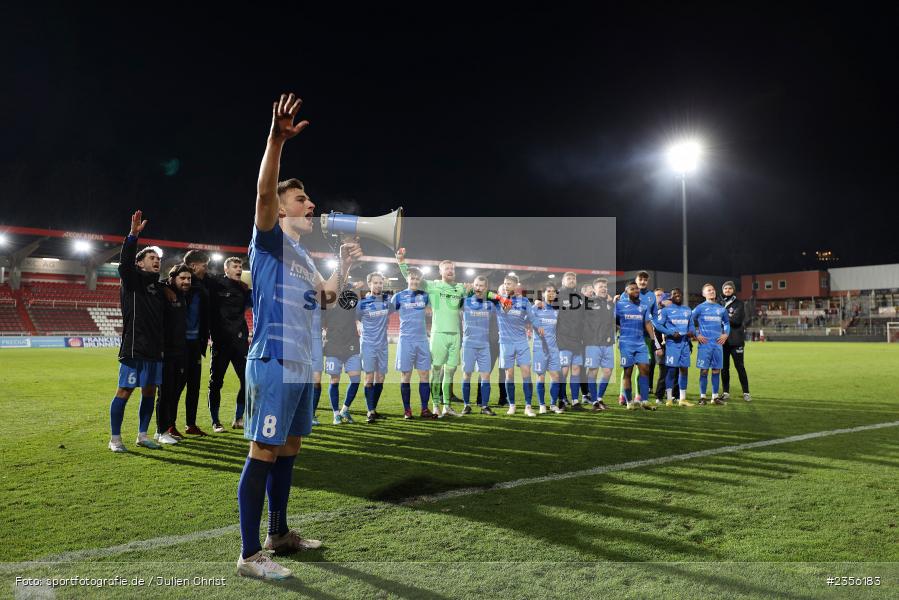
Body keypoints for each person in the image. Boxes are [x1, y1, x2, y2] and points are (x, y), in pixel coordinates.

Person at [235, 92, 362, 580]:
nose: (311, 205)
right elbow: (265, 192)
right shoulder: (268, 239)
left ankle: (280, 534)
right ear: (283, 209)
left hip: (305, 362)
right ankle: (249, 557)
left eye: (308, 199)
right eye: (302, 200)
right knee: (263, 451)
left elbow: (329, 298)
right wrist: (276, 138)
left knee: (288, 449)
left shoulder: (306, 257)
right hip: (275, 359)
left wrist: (345, 267)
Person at [108, 210, 165, 452]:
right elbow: (125, 263)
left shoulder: (158, 287)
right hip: (134, 348)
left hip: (154, 349)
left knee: (150, 391)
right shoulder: (132, 280)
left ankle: (142, 435)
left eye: (158, 258)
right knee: (125, 390)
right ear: (140, 262)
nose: (156, 260)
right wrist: (132, 236)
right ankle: (115, 439)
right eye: (151, 257)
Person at [206, 257, 252, 432]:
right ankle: (215, 421)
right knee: (216, 382)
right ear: (226, 269)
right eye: (235, 266)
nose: (239, 269)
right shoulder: (216, 284)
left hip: (240, 342)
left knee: (247, 380)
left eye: (240, 266)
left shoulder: (244, 289)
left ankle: (239, 418)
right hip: (221, 342)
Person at [155, 263, 193, 445]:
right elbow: (153, 283)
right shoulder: (164, 292)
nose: (186, 281)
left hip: (180, 350)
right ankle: (160, 431)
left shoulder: (182, 295)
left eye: (188, 278)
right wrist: (163, 286)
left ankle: (168, 427)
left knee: (175, 391)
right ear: (172, 278)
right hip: (165, 351)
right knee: (165, 392)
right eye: (182, 278)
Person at [390, 267, 432, 419]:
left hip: (422, 339)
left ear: (419, 280)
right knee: (406, 375)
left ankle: (425, 409)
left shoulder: (425, 296)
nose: (414, 281)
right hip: (406, 340)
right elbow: (386, 313)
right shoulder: (398, 297)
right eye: (412, 278)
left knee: (425, 374)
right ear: (407, 279)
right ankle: (407, 410)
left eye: (417, 279)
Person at [323, 282, 363, 424]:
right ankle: (335, 414)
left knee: (356, 379)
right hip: (333, 346)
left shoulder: (351, 302)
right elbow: (322, 321)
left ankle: (345, 409)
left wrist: (355, 288)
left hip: (351, 345)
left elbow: (357, 306)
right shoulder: (327, 304)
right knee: (334, 380)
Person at [496, 274, 536, 416]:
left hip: (521, 342)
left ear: (516, 285)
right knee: (509, 374)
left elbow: (531, 318)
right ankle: (512, 405)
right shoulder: (498, 301)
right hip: (506, 343)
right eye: (505, 284)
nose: (506, 286)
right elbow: (488, 296)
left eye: (509, 284)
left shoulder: (524, 301)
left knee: (526, 372)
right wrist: (502, 297)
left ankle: (528, 406)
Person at [616, 282, 659, 411]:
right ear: (626, 291)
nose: (636, 290)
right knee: (627, 372)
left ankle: (644, 401)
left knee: (645, 369)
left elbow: (647, 323)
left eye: (637, 289)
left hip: (640, 343)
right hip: (626, 344)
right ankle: (629, 401)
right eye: (632, 289)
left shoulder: (643, 306)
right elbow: (613, 322)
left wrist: (654, 341)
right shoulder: (619, 305)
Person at [182, 250, 211, 436]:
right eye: (204, 265)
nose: (206, 268)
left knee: (194, 387)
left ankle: (190, 424)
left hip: (195, 344)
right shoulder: (179, 283)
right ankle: (167, 427)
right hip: (178, 345)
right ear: (194, 265)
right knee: (174, 388)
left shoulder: (203, 285)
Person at [358, 272, 391, 423]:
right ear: (369, 284)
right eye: (375, 283)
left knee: (381, 378)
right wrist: (358, 326)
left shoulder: (387, 301)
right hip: (368, 345)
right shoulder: (362, 303)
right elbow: (355, 319)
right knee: (369, 378)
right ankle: (370, 411)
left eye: (380, 283)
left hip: (383, 345)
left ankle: (373, 408)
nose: (378, 285)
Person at [653, 288, 695, 407]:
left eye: (679, 293)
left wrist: (692, 332)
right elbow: (657, 325)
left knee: (684, 370)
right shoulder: (666, 311)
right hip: (672, 344)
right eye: (674, 294)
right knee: (671, 371)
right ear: (671, 297)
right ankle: (669, 399)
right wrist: (670, 332)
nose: (677, 295)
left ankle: (682, 399)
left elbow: (691, 324)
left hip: (685, 343)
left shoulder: (687, 310)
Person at [462, 276, 497, 415]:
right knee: (466, 375)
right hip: (469, 344)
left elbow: (507, 308)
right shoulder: (464, 302)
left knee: (486, 376)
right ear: (473, 286)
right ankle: (466, 405)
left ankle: (484, 406)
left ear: (486, 288)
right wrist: (465, 291)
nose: (479, 288)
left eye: (482, 286)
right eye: (476, 285)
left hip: (484, 345)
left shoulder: (491, 305)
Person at [692, 283, 730, 406]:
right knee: (704, 371)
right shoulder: (699, 308)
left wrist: (725, 334)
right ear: (703, 294)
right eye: (708, 290)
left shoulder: (721, 309)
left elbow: (727, 323)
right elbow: (690, 321)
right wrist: (696, 334)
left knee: (716, 371)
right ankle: (702, 397)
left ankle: (715, 397)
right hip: (705, 344)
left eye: (713, 290)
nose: (712, 291)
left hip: (718, 344)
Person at [530, 282, 565, 414]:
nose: (551, 293)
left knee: (555, 376)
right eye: (548, 291)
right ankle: (542, 405)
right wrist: (534, 305)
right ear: (543, 293)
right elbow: (527, 319)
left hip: (553, 348)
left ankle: (553, 404)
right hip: (540, 348)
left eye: (553, 291)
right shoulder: (536, 308)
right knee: (541, 376)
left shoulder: (556, 310)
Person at [583, 277, 615, 411]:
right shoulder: (588, 302)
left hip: (607, 343)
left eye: (605, 286)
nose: (604, 288)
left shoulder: (609, 304)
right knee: (593, 372)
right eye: (600, 286)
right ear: (594, 289)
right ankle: (594, 401)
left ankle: (599, 398)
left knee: (608, 371)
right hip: (593, 343)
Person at [556, 272, 585, 410]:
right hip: (563, 338)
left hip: (578, 340)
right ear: (563, 281)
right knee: (564, 370)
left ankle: (575, 401)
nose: (572, 280)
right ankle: (561, 399)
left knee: (576, 370)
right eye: (569, 278)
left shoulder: (580, 297)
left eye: (574, 278)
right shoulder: (558, 295)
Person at [720, 281, 751, 402]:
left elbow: (737, 320)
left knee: (740, 367)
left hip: (736, 341)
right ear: (722, 290)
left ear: (733, 290)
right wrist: (727, 317)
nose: (727, 290)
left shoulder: (739, 304)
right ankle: (726, 392)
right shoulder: (719, 303)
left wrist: (721, 317)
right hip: (722, 341)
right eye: (725, 288)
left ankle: (746, 392)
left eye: (729, 288)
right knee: (724, 368)